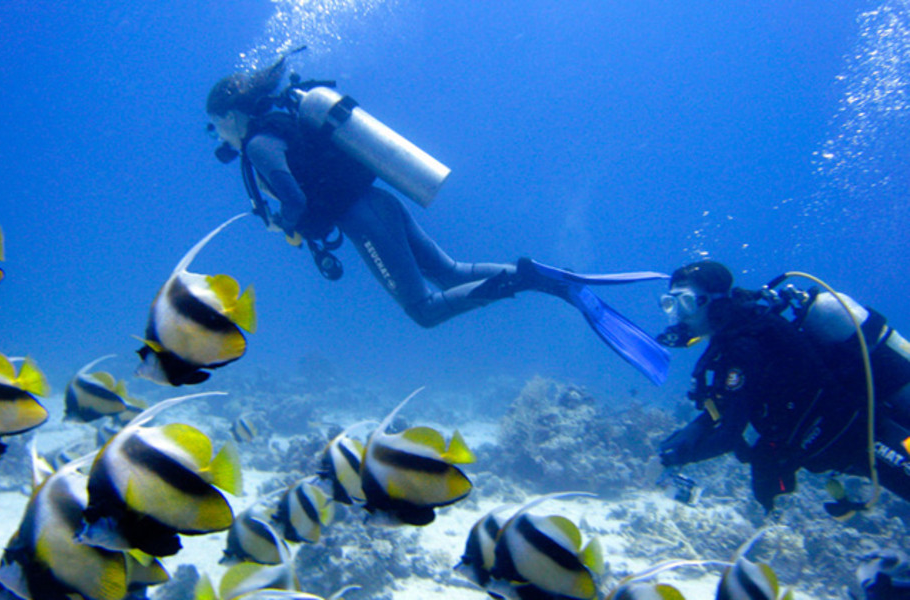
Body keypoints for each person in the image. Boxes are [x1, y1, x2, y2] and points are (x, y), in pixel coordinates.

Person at [203, 51, 670, 384]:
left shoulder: (259, 144)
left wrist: (284, 225)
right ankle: (546, 281)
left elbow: (294, 200)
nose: (219, 133)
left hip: (363, 220)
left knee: (424, 310)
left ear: (231, 115)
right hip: (380, 201)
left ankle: (525, 278)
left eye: (217, 123)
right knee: (449, 272)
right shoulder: (287, 119)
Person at [655, 261, 910, 514]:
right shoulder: (743, 331)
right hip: (851, 437)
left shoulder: (743, 346)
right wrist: (695, 428)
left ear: (716, 302)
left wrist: (674, 457)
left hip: (869, 437)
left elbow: (728, 436)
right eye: (670, 304)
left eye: (686, 302)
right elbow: (734, 397)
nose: (678, 315)